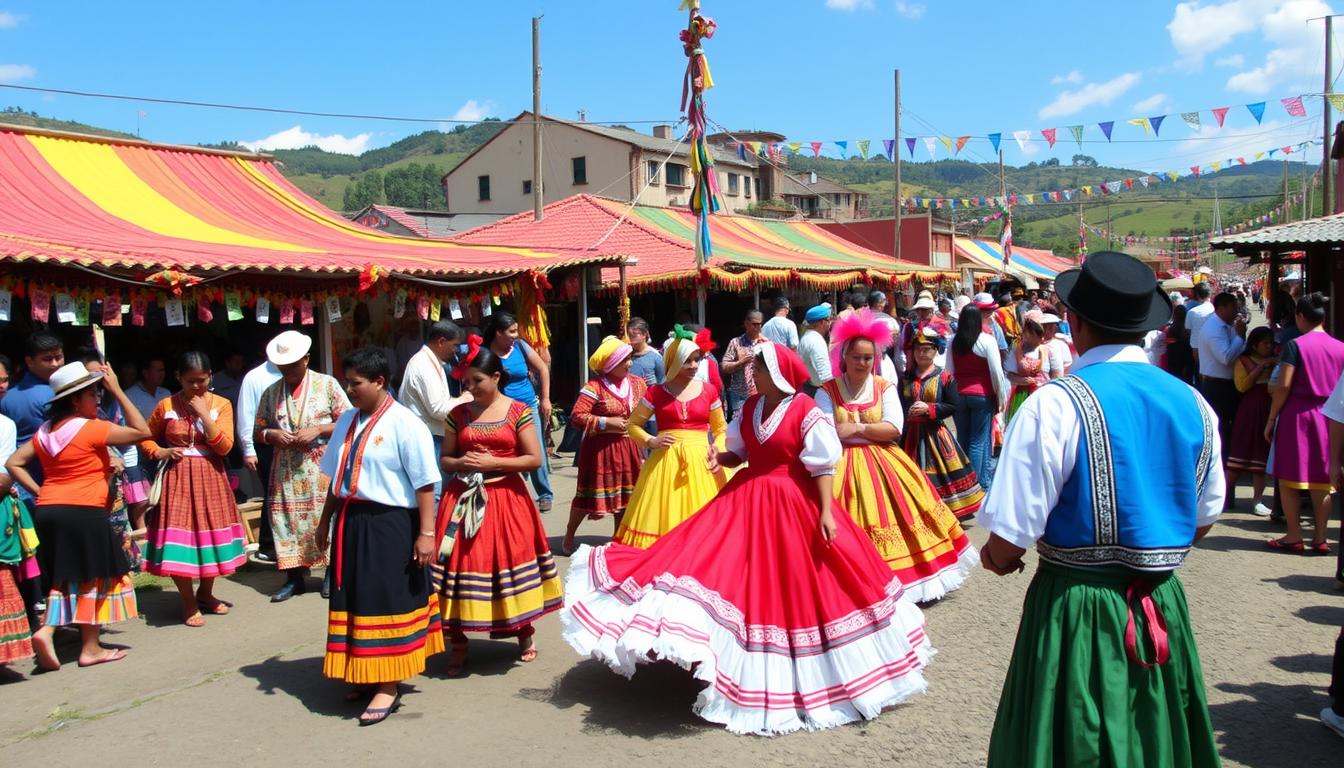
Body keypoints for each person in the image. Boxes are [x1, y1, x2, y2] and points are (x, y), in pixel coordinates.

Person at [561, 343, 933, 735]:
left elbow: (823, 464)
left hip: (794, 501)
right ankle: (720, 652)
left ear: (778, 372)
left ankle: (804, 670)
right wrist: (720, 458)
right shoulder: (751, 408)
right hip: (748, 495)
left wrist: (826, 511)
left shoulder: (806, 409)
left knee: (796, 584)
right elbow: (738, 452)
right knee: (723, 568)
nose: (752, 374)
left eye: (759, 368)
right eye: (754, 368)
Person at [978, 251, 1222, 767]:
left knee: (1073, 739)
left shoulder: (1055, 404)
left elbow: (1005, 545)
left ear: (1074, 320)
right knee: (1153, 731)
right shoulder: (1195, 403)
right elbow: (1203, 519)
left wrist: (1000, 558)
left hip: (1076, 609)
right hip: (1159, 602)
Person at [314, 347, 443, 726]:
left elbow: (424, 484)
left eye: (355, 384)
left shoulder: (406, 423)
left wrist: (426, 534)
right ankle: (365, 672)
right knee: (355, 597)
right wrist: (325, 523)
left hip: (390, 525)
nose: (349, 390)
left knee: (385, 600)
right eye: (347, 382)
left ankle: (388, 683)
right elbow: (337, 479)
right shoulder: (347, 422)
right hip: (352, 522)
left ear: (379, 382)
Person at [817, 310, 976, 602]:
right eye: (856, 357)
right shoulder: (826, 390)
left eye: (868, 358)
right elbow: (826, 432)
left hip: (886, 464)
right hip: (838, 467)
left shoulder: (884, 387)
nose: (862, 363)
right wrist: (865, 430)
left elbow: (893, 429)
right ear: (844, 357)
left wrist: (856, 427)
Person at [6, 361, 151, 669]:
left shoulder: (46, 432)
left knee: (68, 576)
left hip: (49, 512)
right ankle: (90, 648)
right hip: (84, 512)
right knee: (95, 576)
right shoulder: (91, 428)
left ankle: (47, 630)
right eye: (93, 393)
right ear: (75, 400)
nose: (98, 398)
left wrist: (41, 490)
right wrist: (117, 390)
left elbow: (14, 463)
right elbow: (143, 430)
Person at [434, 345, 561, 675]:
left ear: (495, 376)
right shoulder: (457, 414)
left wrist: (495, 462)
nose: (470, 388)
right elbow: (445, 460)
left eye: (477, 381)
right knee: (459, 568)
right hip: (462, 499)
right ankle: (458, 642)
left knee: (506, 564)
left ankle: (523, 632)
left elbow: (534, 458)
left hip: (506, 499)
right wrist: (461, 462)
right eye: (466, 381)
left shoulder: (518, 410)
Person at [140, 352, 247, 626]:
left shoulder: (221, 405)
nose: (197, 387)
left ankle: (206, 594)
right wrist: (161, 451)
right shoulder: (166, 406)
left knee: (209, 538)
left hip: (211, 478)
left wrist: (203, 414)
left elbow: (224, 447)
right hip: (177, 481)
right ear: (179, 378)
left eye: (201, 380)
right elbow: (145, 438)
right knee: (182, 541)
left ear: (210, 376)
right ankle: (188, 602)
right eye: (190, 382)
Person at [254, 331, 351, 602]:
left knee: (325, 518)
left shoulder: (327, 385)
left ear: (306, 360)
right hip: (285, 468)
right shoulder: (271, 393)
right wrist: (272, 435)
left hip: (320, 465)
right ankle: (294, 578)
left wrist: (319, 428)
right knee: (286, 521)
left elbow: (349, 421)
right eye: (283, 367)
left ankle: (332, 574)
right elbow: (258, 430)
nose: (288, 371)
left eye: (293, 365)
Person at [613, 326, 727, 549]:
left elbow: (721, 429)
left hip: (703, 462)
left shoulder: (709, 390)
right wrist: (650, 441)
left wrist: (718, 450)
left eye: (697, 360)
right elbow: (634, 425)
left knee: (704, 524)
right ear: (674, 361)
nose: (694, 366)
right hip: (664, 465)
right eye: (688, 361)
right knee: (665, 516)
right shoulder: (656, 392)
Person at [1265, 293, 1344, 553]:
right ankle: (1320, 538)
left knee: (1289, 478)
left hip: (1297, 416)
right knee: (1323, 481)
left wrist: (1271, 417)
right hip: (1329, 416)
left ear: (1300, 316)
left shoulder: (1295, 345)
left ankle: (1294, 534)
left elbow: (1284, 385)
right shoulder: (1340, 347)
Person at [562, 336, 647, 554]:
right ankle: (570, 534)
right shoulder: (594, 387)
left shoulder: (638, 384)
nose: (629, 364)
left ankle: (618, 537)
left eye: (630, 359)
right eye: (624, 360)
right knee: (587, 497)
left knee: (626, 498)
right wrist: (606, 422)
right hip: (600, 451)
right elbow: (577, 417)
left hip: (630, 449)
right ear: (610, 364)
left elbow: (647, 414)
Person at [901, 327, 985, 520]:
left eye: (927, 349)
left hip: (935, 435)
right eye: (918, 349)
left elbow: (953, 405)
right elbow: (899, 403)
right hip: (910, 436)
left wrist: (930, 409)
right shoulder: (905, 378)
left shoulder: (945, 377)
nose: (922, 353)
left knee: (937, 474)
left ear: (935, 350)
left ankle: (941, 512)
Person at [483, 312, 553, 512]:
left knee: (535, 449)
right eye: (511, 331)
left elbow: (543, 369)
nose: (515, 335)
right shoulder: (486, 353)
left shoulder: (521, 347)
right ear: (498, 333)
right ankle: (515, 491)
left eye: (516, 331)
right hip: (502, 410)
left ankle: (545, 494)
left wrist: (545, 399)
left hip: (528, 407)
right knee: (511, 451)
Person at [945, 305, 1009, 492]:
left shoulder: (953, 342)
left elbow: (949, 371)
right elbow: (996, 372)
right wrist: (1000, 397)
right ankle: (975, 483)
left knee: (963, 438)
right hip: (981, 395)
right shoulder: (986, 341)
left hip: (959, 394)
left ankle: (965, 481)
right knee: (978, 440)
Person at [398, 319, 471, 456]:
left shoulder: (431, 361)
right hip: (430, 440)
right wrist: (465, 398)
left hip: (433, 436)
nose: (456, 351)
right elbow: (439, 410)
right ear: (441, 342)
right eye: (455, 345)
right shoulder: (423, 365)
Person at [1226, 327, 1276, 516]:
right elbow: (1242, 386)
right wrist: (1260, 368)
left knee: (1260, 459)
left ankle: (1258, 500)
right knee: (1239, 455)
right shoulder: (1242, 361)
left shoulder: (1277, 362)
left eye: (1271, 343)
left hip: (1268, 410)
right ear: (1254, 344)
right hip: (1249, 410)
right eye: (1265, 343)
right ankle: (1223, 498)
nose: (1269, 346)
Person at [237, 355, 282, 562]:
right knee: (272, 493)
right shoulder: (255, 377)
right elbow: (246, 414)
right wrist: (248, 449)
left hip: (296, 446)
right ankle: (267, 543)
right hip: (266, 444)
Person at [1196, 292, 1247, 457]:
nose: (1236, 310)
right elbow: (1225, 357)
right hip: (1216, 386)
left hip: (1226, 383)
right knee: (1221, 425)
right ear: (1221, 308)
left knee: (1229, 423)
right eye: (1233, 306)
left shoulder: (1226, 326)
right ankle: (1221, 460)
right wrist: (1240, 336)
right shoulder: (1213, 328)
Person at [1004, 312, 1058, 423]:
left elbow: (1056, 374)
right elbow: (1009, 374)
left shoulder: (1049, 350)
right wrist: (1021, 380)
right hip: (1022, 396)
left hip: (1043, 396)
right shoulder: (1017, 350)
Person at [719, 310, 769, 421]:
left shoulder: (766, 343)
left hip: (761, 392)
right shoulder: (736, 343)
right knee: (739, 423)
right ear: (746, 323)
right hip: (739, 394)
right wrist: (740, 363)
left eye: (759, 324)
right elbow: (724, 366)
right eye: (754, 324)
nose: (757, 327)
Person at [797, 304, 833, 396]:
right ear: (821, 322)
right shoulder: (816, 341)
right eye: (828, 320)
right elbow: (824, 375)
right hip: (817, 391)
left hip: (809, 388)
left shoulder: (807, 337)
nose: (829, 323)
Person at [624, 317, 664, 389]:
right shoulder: (625, 355)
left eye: (634, 335)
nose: (631, 339)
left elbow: (662, 381)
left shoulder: (655, 356)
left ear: (644, 334)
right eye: (629, 335)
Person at [1185, 282, 1215, 369]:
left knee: (1199, 370)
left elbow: (1188, 331)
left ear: (1197, 295)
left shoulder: (1192, 312)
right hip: (1212, 345)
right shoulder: (1215, 309)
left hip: (1197, 347)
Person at [1165, 304, 1195, 383]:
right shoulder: (1188, 329)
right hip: (1188, 359)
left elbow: (1170, 346)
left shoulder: (1171, 329)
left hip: (1174, 360)